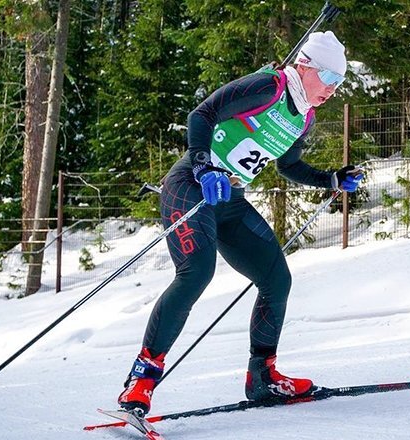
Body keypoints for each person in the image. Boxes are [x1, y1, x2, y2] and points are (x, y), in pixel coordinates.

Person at [117, 31, 363, 415]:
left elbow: (288, 166)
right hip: (190, 186)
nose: (332, 89)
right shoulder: (270, 86)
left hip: (229, 200)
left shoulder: (304, 117)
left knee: (277, 279)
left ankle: (262, 377)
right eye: (329, 78)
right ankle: (142, 379)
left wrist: (331, 179)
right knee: (196, 273)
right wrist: (202, 164)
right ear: (305, 66)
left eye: (339, 82)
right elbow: (201, 114)